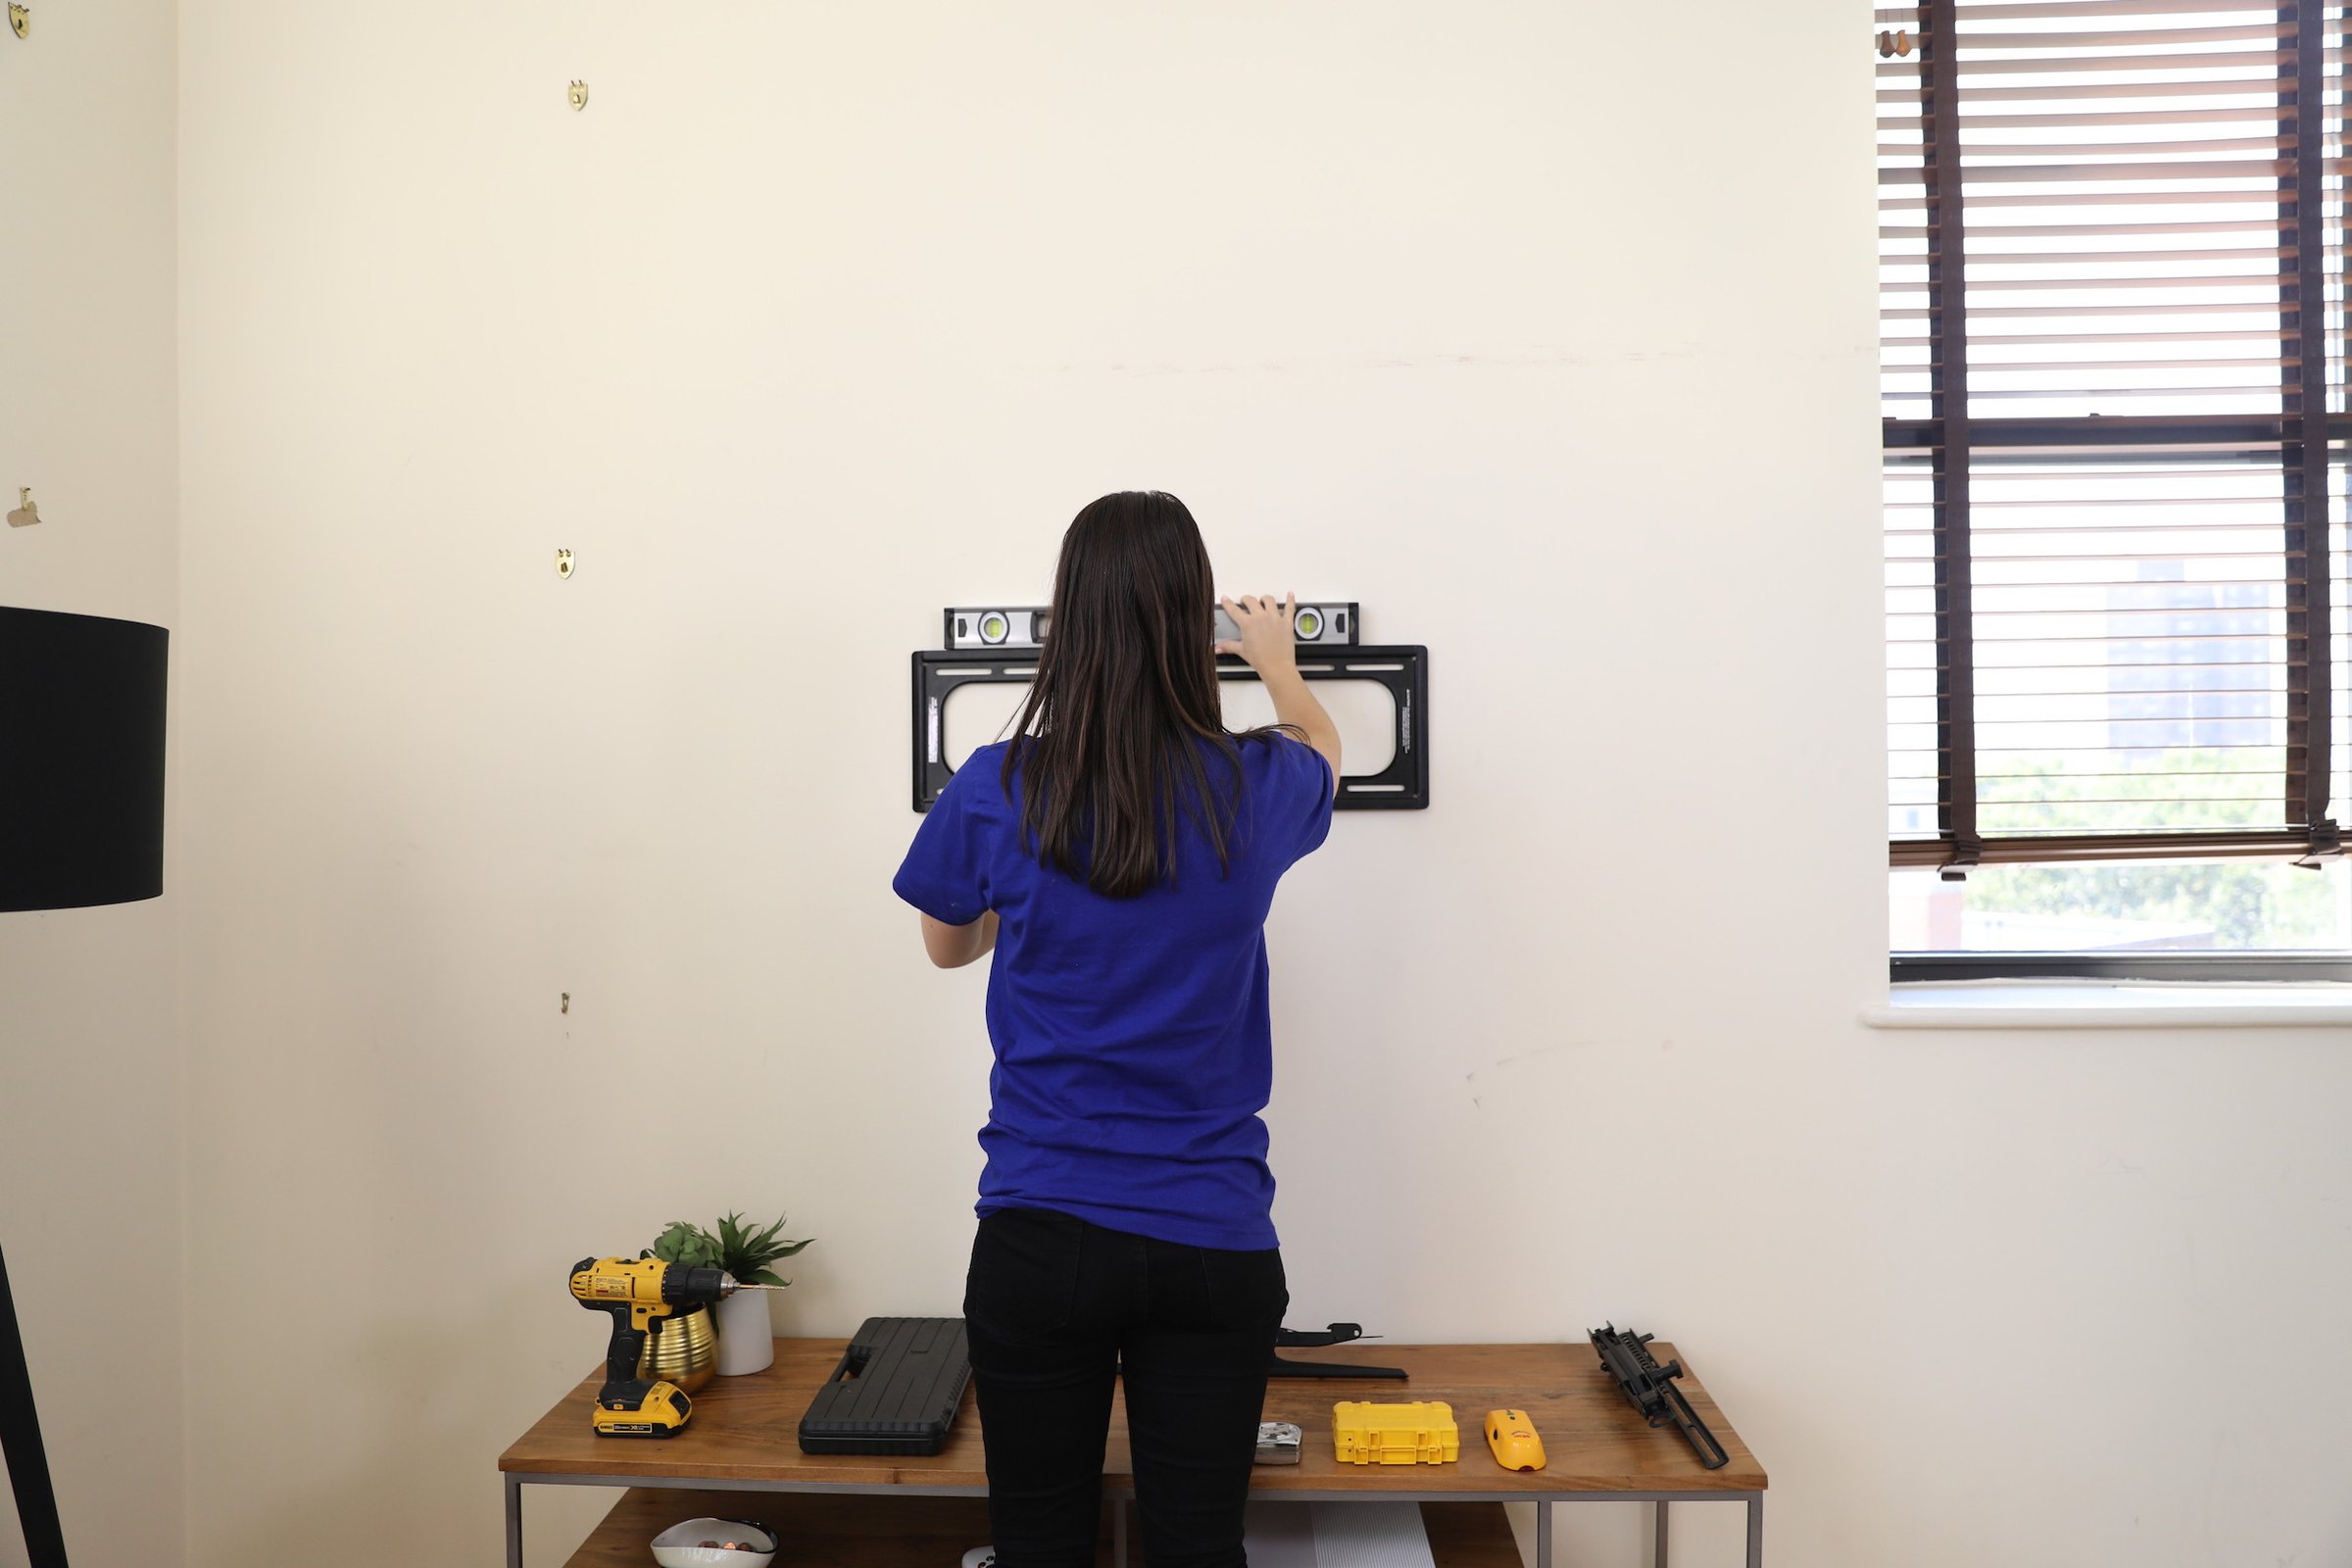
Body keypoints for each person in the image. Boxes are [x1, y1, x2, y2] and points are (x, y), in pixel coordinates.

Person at [893, 490, 1342, 1568]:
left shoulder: (1000, 787)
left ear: (1070, 620)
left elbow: (947, 947)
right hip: (1211, 1236)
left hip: (1040, 1238)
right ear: (1194, 625)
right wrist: (1273, 659)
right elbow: (1327, 747)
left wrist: (1027, 897)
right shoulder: (1258, 784)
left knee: (1038, 1545)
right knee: (1197, 1546)